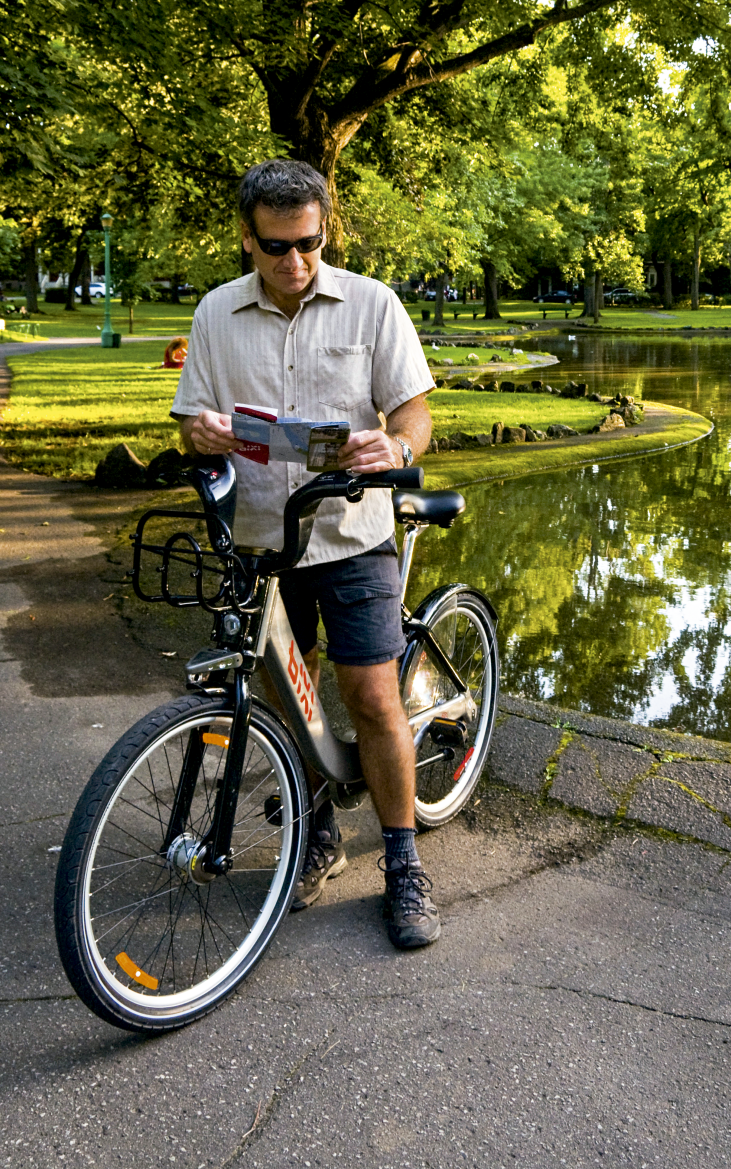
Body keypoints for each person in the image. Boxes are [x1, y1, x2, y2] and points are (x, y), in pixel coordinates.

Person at [170, 159, 439, 950]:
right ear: (247, 239)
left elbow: (416, 412)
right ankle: (318, 833)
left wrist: (392, 444)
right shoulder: (216, 314)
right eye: (277, 246)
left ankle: (403, 861)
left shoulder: (372, 304)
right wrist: (204, 431)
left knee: (370, 695)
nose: (296, 262)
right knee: (292, 703)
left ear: (327, 230)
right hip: (260, 539)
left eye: (311, 243)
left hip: (352, 535)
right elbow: (191, 421)